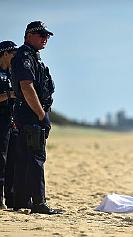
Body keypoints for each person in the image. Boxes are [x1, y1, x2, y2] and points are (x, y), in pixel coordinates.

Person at [11, 21, 61, 214]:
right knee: (35, 158)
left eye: (46, 35)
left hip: (28, 114)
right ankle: (38, 203)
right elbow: (26, 86)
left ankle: (22, 201)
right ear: (28, 35)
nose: (44, 38)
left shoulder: (32, 57)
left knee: (24, 158)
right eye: (40, 35)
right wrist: (41, 115)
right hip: (31, 115)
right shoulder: (25, 56)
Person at [0, 41, 17, 209]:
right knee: (1, 160)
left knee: (12, 161)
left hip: (11, 122)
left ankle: (11, 199)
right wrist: (9, 94)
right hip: (1, 122)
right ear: (5, 54)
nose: (15, 57)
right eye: (13, 54)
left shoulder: (12, 73)